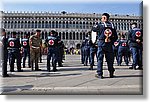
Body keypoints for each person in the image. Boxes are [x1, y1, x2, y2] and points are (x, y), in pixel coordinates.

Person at [92, 13, 118, 79]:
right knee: (110, 59)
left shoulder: (100, 25)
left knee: (100, 59)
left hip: (102, 43)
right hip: (109, 44)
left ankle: (100, 73)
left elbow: (93, 29)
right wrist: (111, 40)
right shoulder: (112, 26)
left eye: (102, 17)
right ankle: (111, 73)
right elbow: (116, 37)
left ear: (103, 18)